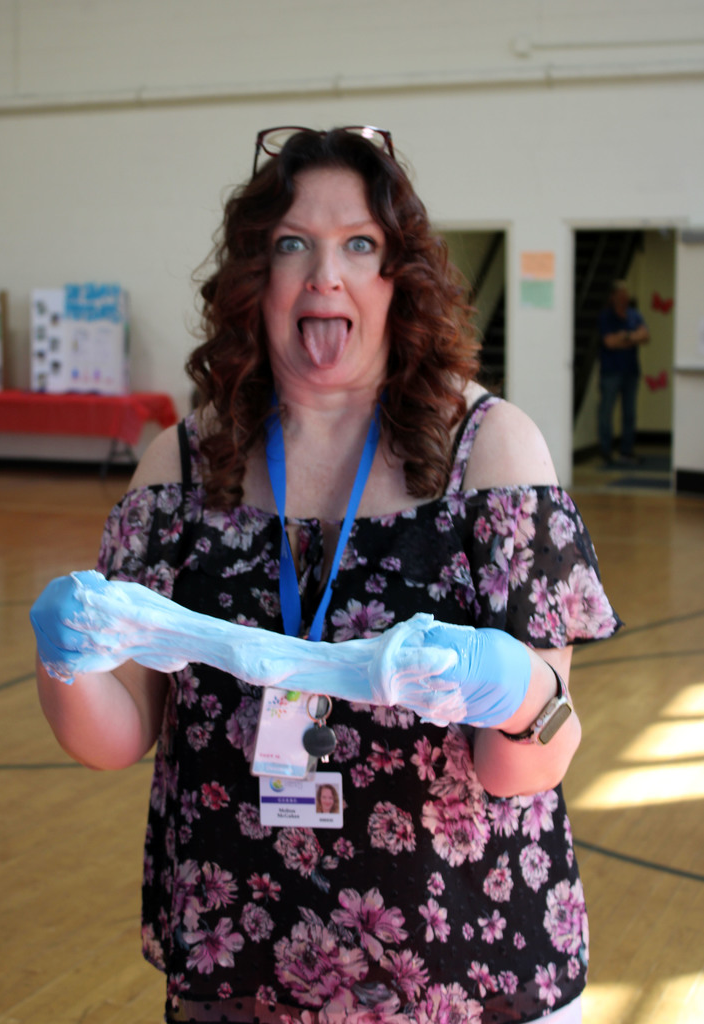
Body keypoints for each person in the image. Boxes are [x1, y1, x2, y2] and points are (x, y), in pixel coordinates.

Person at [32, 126, 621, 1024]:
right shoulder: (182, 467)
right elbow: (116, 737)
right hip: (244, 962)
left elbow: (526, 766)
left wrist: (510, 691)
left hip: (458, 964)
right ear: (253, 279)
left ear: (398, 278)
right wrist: (63, 660)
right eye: (291, 245)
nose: (324, 275)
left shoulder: (490, 452)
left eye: (358, 245)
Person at [597, 279, 650, 466]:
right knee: (606, 412)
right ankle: (606, 451)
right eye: (620, 295)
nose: (624, 298)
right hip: (610, 372)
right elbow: (609, 342)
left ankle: (626, 451)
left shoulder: (634, 315)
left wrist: (623, 337)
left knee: (630, 413)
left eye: (625, 295)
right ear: (613, 297)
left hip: (631, 371)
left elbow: (645, 336)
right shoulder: (606, 317)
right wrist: (631, 337)